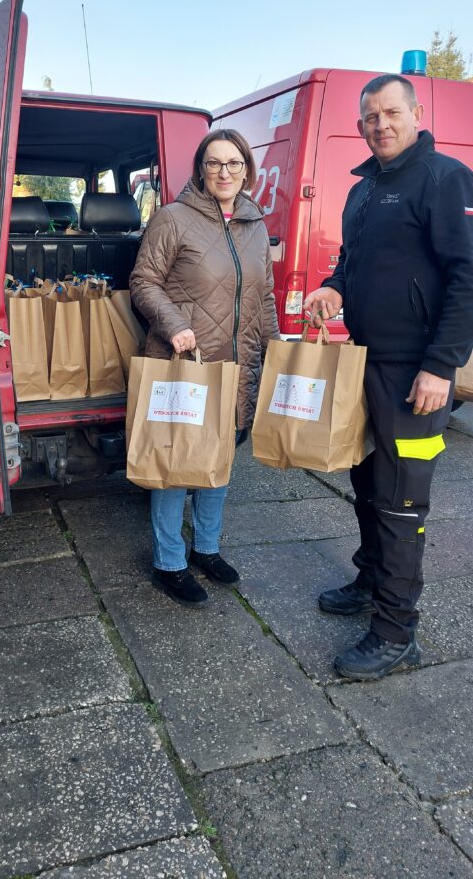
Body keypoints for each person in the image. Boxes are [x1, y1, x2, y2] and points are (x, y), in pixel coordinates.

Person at [303, 74, 473, 680]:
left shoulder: (446, 179)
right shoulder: (363, 189)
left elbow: (468, 279)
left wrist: (441, 365)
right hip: (366, 362)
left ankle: (395, 631)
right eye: (370, 117)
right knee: (366, 483)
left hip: (417, 374)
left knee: (402, 500)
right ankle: (370, 580)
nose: (380, 125)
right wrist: (333, 287)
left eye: (391, 113)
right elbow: (349, 261)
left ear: (415, 114)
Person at [130, 129, 279, 606]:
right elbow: (143, 282)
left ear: (247, 170)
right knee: (176, 462)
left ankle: (207, 548)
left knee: (221, 458)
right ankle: (169, 562)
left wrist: (276, 350)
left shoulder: (256, 226)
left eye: (234, 163)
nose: (224, 172)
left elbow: (265, 297)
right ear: (200, 170)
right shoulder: (172, 219)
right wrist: (174, 324)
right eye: (214, 163)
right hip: (186, 362)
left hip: (237, 364)